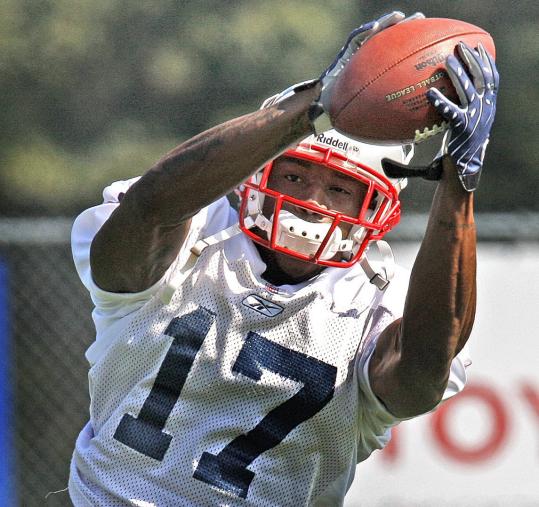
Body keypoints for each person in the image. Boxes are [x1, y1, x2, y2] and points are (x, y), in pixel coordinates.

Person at [68, 11, 499, 507]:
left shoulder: (381, 299)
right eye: (294, 177)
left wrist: (459, 184)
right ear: (256, 173)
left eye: (340, 189)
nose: (311, 202)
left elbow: (421, 371)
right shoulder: (192, 234)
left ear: (373, 205)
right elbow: (148, 210)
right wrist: (316, 103)